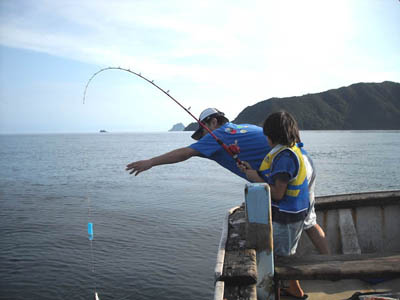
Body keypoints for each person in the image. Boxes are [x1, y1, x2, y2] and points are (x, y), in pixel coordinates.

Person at [125, 108, 329, 253]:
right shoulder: (241, 128)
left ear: (213, 123)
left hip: (287, 172)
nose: (204, 137)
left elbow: (185, 153)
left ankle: (292, 284)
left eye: (203, 130)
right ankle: (328, 261)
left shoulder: (219, 135)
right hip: (303, 163)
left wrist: (151, 162)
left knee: (285, 226)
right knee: (309, 221)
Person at [237, 111, 314, 299]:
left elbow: (278, 193)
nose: (266, 139)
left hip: (287, 218)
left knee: (280, 260)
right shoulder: (290, 151)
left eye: (267, 135)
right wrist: (254, 172)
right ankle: (293, 290)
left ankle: (288, 293)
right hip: (292, 215)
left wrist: (255, 178)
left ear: (272, 135)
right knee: (285, 255)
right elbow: (278, 182)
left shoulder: (284, 158)